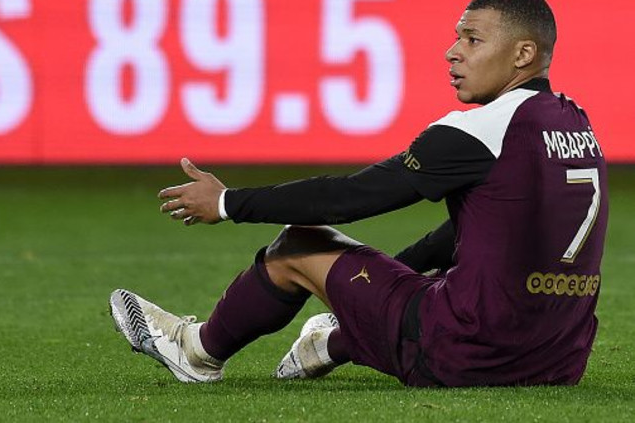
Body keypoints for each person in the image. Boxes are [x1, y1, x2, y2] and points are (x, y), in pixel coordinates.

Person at [109, 0, 608, 387]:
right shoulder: (575, 123)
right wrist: (384, 277)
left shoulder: (481, 130)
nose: (452, 51)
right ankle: (330, 343)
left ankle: (196, 352)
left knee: (297, 244)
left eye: (472, 39)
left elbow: (350, 197)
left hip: (466, 357)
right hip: (558, 361)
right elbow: (478, 230)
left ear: (523, 54)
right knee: (457, 276)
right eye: (457, 36)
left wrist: (227, 203)